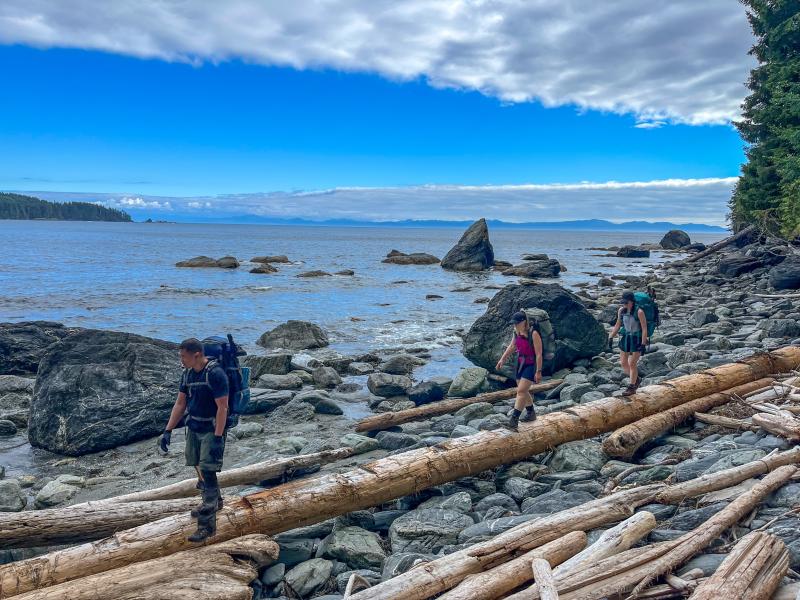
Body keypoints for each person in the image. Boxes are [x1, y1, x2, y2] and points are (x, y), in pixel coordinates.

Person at [159, 338, 229, 542]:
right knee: (197, 466)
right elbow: (180, 404)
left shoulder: (215, 374)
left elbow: (222, 408)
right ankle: (216, 502)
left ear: (196, 354)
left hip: (211, 429)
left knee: (208, 472)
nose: (181, 360)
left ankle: (207, 526)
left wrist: (217, 437)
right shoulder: (187, 374)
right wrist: (168, 430)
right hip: (194, 427)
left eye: (183, 356)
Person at [495, 311, 543, 430]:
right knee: (523, 390)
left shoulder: (534, 333)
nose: (515, 325)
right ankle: (531, 413)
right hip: (520, 363)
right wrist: (502, 360)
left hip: (532, 364)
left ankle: (513, 421)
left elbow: (539, 354)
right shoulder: (516, 332)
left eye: (517, 323)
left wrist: (538, 371)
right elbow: (512, 347)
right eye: (514, 323)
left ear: (524, 321)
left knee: (521, 391)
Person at [608, 291, 649, 396]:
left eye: (626, 303)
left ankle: (631, 387)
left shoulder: (639, 312)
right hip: (626, 338)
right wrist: (611, 337)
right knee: (623, 363)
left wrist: (643, 344)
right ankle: (636, 379)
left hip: (637, 339)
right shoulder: (621, 311)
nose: (624, 305)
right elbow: (618, 324)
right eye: (623, 303)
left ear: (632, 301)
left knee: (632, 363)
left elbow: (644, 329)